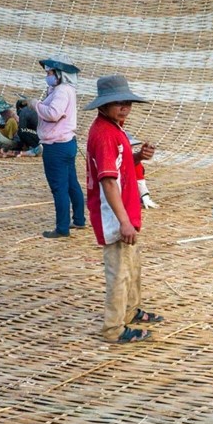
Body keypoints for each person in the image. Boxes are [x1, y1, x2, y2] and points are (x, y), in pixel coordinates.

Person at [83, 75, 164, 344]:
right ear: (103, 106)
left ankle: (130, 311)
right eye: (118, 103)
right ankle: (113, 328)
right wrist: (123, 221)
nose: (124, 107)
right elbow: (107, 181)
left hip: (125, 212)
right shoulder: (105, 134)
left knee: (132, 266)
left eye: (127, 102)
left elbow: (119, 164)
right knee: (119, 273)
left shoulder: (114, 128)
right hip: (114, 214)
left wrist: (139, 156)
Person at [34, 54, 86, 238]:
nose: (47, 75)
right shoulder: (65, 90)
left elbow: (53, 114)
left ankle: (62, 228)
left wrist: (36, 105)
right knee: (71, 183)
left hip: (56, 146)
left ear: (59, 74)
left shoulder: (62, 91)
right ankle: (79, 220)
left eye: (50, 72)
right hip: (67, 143)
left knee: (59, 187)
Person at [126, 133, 159, 209]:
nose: (130, 149)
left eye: (131, 147)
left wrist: (145, 197)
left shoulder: (136, 164)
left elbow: (139, 180)